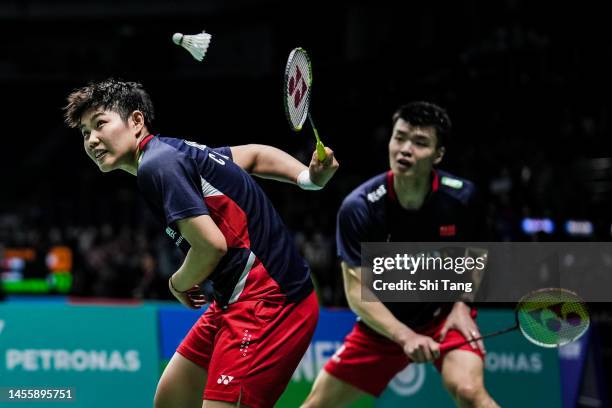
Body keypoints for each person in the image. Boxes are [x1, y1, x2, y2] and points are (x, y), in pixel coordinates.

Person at [64, 78, 339, 408]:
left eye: (100, 124)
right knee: (172, 398)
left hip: (270, 303)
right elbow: (252, 155)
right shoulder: (173, 151)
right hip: (232, 300)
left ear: (136, 122)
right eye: (84, 133)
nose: (92, 140)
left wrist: (178, 282)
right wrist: (307, 179)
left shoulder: (158, 164)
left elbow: (211, 246)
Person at [303, 102, 498, 407]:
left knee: (470, 392)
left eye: (420, 143)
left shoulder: (462, 198)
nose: (405, 149)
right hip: (381, 325)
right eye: (400, 137)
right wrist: (406, 336)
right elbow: (356, 291)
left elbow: (476, 253)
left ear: (439, 154)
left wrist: (463, 304)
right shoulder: (361, 208)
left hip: (443, 316)